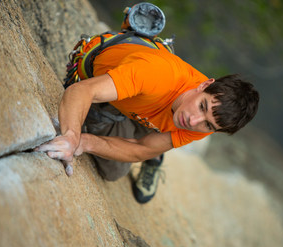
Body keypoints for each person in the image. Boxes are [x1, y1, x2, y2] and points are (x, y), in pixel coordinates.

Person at [36, 6, 259, 204]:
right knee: (115, 167)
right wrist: (71, 137)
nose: (193, 121)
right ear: (204, 85)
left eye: (209, 126)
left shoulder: (206, 121)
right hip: (128, 87)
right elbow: (82, 91)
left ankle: (158, 147)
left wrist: (84, 143)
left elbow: (141, 150)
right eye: (202, 107)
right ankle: (156, 136)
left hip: (150, 106)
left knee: (116, 168)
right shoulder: (157, 75)